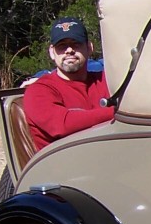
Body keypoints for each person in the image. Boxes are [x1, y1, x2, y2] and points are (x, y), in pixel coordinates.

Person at [23, 18, 115, 151]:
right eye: (61, 46)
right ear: (51, 52)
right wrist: (117, 112)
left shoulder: (105, 80)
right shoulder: (38, 90)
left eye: (76, 44)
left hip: (110, 156)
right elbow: (61, 125)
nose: (69, 50)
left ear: (89, 48)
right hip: (62, 165)